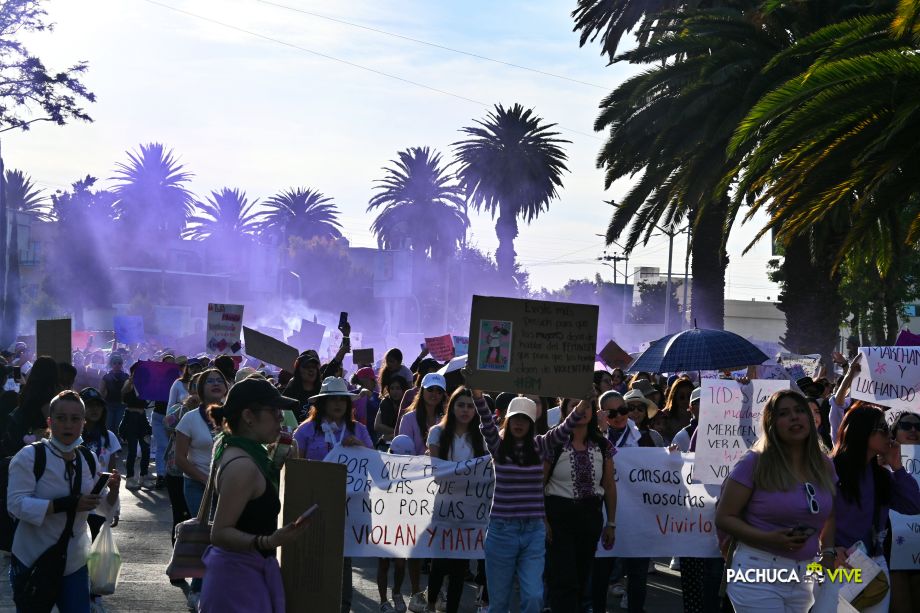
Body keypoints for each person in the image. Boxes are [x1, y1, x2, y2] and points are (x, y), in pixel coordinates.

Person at [473, 386, 593, 613]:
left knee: (534, 598)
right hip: (501, 532)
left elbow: (565, 427)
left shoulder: (541, 444)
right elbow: (487, 421)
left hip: (532, 532)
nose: (519, 423)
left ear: (531, 422)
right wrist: (477, 395)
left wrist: (584, 404)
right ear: (507, 421)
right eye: (515, 418)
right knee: (498, 604)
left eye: (524, 419)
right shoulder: (498, 447)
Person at [715, 390, 838, 612]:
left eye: (800, 411)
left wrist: (828, 552)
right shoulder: (754, 462)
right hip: (756, 570)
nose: (794, 417)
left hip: (805, 575)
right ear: (771, 424)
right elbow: (724, 517)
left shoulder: (824, 464)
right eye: (784, 413)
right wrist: (768, 538)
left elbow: (829, 514)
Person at [198, 377, 308, 612]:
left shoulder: (242, 452)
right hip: (237, 583)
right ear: (248, 417)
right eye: (274, 410)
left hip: (239, 577)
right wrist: (268, 541)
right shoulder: (243, 465)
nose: (280, 416)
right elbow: (219, 533)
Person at [7, 391, 121, 613]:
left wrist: (113, 492)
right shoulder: (30, 456)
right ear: (50, 422)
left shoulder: (88, 458)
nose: (68, 424)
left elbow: (101, 508)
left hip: (75, 560)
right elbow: (16, 504)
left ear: (83, 423)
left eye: (75, 418)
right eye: (61, 418)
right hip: (33, 557)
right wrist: (68, 504)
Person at [831, 402, 920, 613]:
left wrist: (896, 465)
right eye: (882, 428)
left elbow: (914, 505)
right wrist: (827, 548)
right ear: (861, 432)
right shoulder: (830, 469)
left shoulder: (882, 476)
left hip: (874, 562)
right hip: (837, 561)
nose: (889, 435)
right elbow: (809, 515)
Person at [293, 376, 372, 612]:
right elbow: (296, 465)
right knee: (312, 553)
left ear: (349, 405)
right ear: (323, 403)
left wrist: (359, 446)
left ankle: (343, 605)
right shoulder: (306, 430)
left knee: (343, 557)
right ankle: (313, 602)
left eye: (343, 400)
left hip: (349, 504)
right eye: (333, 399)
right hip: (314, 501)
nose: (338, 404)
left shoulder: (360, 429)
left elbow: (376, 464)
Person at [543, 395, 617, 613]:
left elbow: (610, 486)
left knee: (582, 577)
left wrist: (611, 523)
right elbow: (539, 483)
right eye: (574, 405)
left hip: (590, 517)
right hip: (558, 518)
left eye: (585, 405)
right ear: (564, 410)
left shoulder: (603, 445)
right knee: (564, 579)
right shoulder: (553, 442)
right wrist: (543, 519)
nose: (581, 409)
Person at [425, 387, 487, 613]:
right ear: (452, 407)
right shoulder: (437, 433)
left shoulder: (482, 438)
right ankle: (431, 604)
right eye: (461, 404)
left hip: (470, 508)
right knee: (439, 562)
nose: (465, 410)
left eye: (470, 406)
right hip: (443, 505)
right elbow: (435, 470)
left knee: (461, 564)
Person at [174, 368, 228, 608]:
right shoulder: (189, 419)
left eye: (220, 381)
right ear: (201, 388)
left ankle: (213, 587)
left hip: (227, 486)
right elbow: (180, 459)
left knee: (221, 538)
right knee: (204, 538)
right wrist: (206, 480)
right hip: (197, 485)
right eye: (210, 381)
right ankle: (197, 591)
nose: (216, 384)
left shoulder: (232, 416)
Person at [79, 387, 122, 612]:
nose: (94, 410)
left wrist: (115, 506)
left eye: (98, 406)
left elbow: (113, 473)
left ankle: (94, 595)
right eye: (90, 406)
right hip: (76, 499)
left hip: (100, 500)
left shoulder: (109, 437)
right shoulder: (74, 434)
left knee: (96, 548)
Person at [377, 434, 415, 613]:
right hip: (384, 521)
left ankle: (397, 593)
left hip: (402, 522)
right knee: (383, 563)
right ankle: (384, 601)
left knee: (401, 563)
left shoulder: (414, 473)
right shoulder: (382, 469)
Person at [889, 411, 920, 613]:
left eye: (918, 427)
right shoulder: (880, 462)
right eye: (906, 426)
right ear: (894, 432)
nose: (913, 431)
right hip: (892, 548)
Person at [1, 355, 60, 457]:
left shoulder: (28, 392)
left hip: (21, 445)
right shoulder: (46, 396)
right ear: (53, 374)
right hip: (38, 448)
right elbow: (54, 424)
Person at [397, 373, 448, 456]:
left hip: (441, 468)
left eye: (439, 391)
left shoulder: (446, 419)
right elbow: (404, 452)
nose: (434, 394)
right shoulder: (408, 419)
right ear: (421, 391)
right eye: (430, 389)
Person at [120, 363, 153, 490]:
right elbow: (123, 396)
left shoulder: (146, 385)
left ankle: (143, 477)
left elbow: (149, 402)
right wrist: (132, 381)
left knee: (146, 449)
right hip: (130, 418)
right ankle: (130, 478)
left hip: (142, 419)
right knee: (132, 451)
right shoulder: (129, 385)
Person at [649, 377, 693, 444]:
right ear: (674, 397)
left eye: (689, 396)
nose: (686, 400)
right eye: (681, 397)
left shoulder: (699, 416)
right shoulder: (663, 416)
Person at [374, 376, 409, 449]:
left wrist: (393, 435)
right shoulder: (385, 403)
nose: (394, 392)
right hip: (386, 443)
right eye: (392, 388)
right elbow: (377, 426)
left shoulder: (409, 404)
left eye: (398, 388)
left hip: (404, 444)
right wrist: (396, 433)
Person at [99, 354, 129, 435]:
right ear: (111, 364)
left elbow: (129, 391)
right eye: (115, 363)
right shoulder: (106, 376)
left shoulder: (126, 376)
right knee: (108, 427)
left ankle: (117, 445)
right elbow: (101, 391)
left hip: (121, 405)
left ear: (122, 364)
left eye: (119, 363)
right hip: (109, 404)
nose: (117, 365)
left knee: (118, 427)